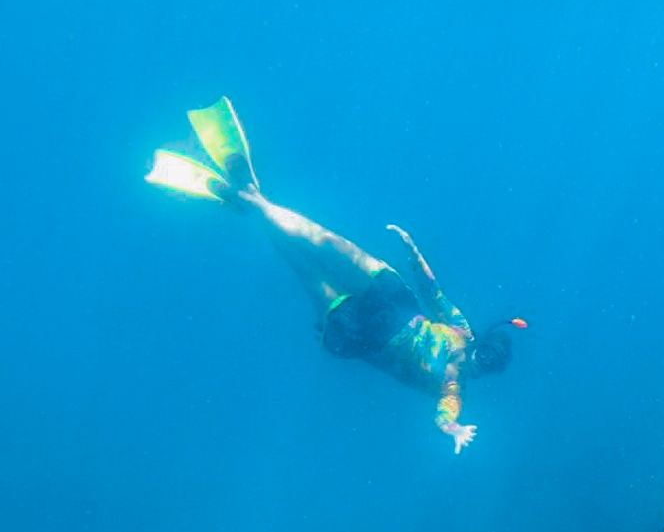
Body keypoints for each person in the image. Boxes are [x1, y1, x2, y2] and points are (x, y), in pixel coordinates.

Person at [146, 97, 524, 454]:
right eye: (486, 354)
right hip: (396, 302)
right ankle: (252, 201)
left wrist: (453, 430)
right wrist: (413, 252)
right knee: (323, 240)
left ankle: (250, 201)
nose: (479, 361)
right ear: (485, 342)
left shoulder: (452, 385)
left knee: (303, 264)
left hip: (365, 331)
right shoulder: (462, 331)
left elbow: (446, 412)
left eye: (485, 365)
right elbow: (434, 293)